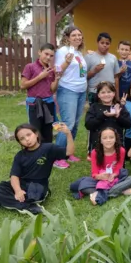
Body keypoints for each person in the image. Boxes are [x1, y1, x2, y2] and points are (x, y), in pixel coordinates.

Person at [0, 123, 74, 215]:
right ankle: (28, 206)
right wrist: (18, 191)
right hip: (22, 184)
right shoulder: (20, 155)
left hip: (38, 185)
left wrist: (68, 134)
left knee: (36, 195)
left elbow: (69, 152)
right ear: (20, 142)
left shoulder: (49, 148)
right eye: (22, 139)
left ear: (36, 134)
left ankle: (1, 202)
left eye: (29, 135)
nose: (27, 139)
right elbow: (14, 176)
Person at [53, 25, 88, 168]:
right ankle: (57, 157)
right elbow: (58, 70)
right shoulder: (62, 51)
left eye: (79, 35)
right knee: (67, 123)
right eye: (74, 35)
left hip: (81, 91)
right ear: (67, 38)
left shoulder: (79, 53)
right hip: (68, 90)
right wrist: (67, 61)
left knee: (75, 123)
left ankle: (68, 152)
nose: (77, 38)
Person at [20, 43, 60, 145]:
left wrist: (57, 78)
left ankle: (47, 157)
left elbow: (52, 90)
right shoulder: (30, 67)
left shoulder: (50, 70)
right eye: (46, 54)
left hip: (48, 103)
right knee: (35, 131)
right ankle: (36, 156)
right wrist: (40, 76)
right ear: (39, 52)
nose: (48, 57)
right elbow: (23, 85)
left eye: (51, 56)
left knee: (48, 132)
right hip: (35, 104)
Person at [86, 128, 131, 205]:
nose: (108, 140)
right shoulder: (94, 152)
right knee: (84, 184)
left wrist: (113, 175)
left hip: (116, 179)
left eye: (111, 137)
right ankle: (121, 191)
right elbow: (94, 173)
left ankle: (100, 194)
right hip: (100, 180)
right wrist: (101, 177)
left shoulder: (121, 150)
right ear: (100, 140)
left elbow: (119, 168)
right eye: (105, 138)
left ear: (116, 139)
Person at [84, 81, 131, 158]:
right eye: (103, 92)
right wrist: (103, 116)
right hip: (98, 145)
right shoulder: (94, 107)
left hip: (116, 145)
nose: (106, 95)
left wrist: (118, 116)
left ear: (114, 93)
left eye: (109, 92)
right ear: (98, 95)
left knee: (118, 168)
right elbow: (88, 125)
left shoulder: (119, 107)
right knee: (100, 167)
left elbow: (129, 124)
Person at [84, 32, 120, 104]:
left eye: (107, 43)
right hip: (94, 92)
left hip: (110, 92)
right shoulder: (89, 57)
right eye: (102, 43)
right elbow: (83, 76)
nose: (104, 45)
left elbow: (116, 78)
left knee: (110, 114)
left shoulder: (113, 58)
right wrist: (94, 70)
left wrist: (117, 95)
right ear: (97, 43)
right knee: (95, 114)